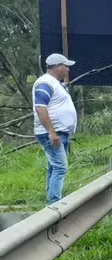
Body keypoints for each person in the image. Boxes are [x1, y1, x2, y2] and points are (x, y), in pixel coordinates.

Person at [33, 53, 78, 204]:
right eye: (66, 66)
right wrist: (51, 133)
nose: (68, 69)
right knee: (60, 167)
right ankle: (54, 203)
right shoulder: (45, 83)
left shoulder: (56, 83)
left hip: (60, 132)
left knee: (54, 166)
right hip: (51, 132)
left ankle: (51, 201)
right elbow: (40, 107)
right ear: (58, 67)